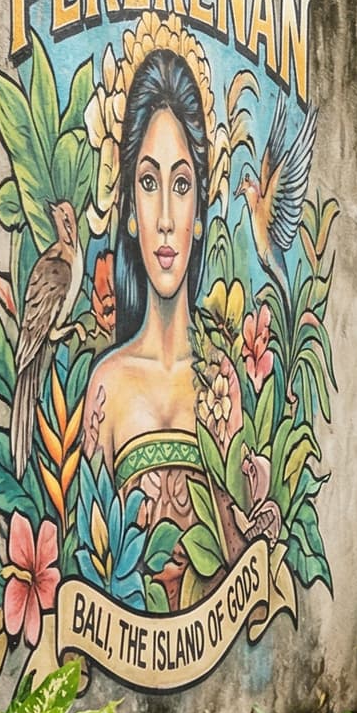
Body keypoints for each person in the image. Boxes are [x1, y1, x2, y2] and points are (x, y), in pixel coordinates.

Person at [86, 47, 218, 609]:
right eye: (148, 181)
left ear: (201, 209)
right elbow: (86, 563)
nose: (165, 215)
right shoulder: (106, 389)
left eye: (182, 184)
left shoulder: (224, 386)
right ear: (129, 209)